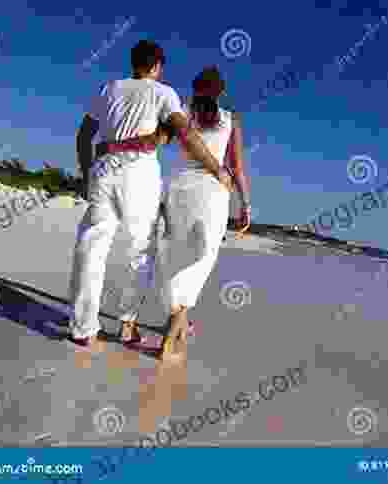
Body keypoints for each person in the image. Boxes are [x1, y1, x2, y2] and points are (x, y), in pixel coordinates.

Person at [69, 41, 233, 351]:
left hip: (102, 170)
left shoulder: (110, 88)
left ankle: (82, 328)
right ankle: (127, 326)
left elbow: (84, 134)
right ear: (157, 65)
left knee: (91, 246)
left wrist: (86, 172)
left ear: (134, 63)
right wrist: (218, 169)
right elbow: (185, 134)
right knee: (138, 251)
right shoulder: (163, 93)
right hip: (139, 174)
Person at [119, 66, 251, 362]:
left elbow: (154, 141)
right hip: (213, 190)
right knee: (202, 258)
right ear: (221, 92)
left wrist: (119, 149)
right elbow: (237, 167)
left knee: (178, 255)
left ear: (194, 88)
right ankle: (174, 328)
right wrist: (245, 205)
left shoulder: (182, 113)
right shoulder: (231, 119)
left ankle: (180, 322)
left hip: (179, 188)